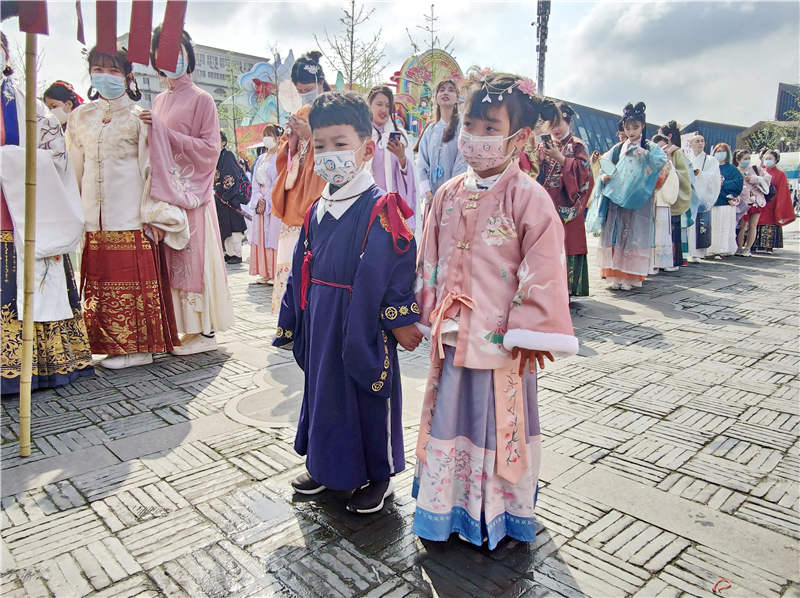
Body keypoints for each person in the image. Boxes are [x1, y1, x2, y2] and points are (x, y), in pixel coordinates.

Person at [413, 71, 578, 549]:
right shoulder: (445, 193)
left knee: (499, 422)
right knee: (449, 415)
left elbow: (544, 264)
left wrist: (529, 331)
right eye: (471, 124)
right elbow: (429, 256)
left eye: (491, 128)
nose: (477, 137)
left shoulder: (528, 196)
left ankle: (496, 513)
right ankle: (445, 506)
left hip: (501, 340)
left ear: (518, 137)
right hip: (452, 332)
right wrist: (424, 311)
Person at [273, 91, 421, 514]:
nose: (329, 155)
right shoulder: (319, 207)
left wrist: (398, 317)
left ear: (367, 149)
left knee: (365, 398)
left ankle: (378, 476)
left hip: (362, 323)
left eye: (340, 145)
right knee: (322, 392)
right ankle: (324, 466)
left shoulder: (380, 208)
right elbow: (302, 267)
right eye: (320, 146)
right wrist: (292, 318)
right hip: (321, 317)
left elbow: (392, 268)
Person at [66, 45, 183, 369]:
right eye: (98, 68)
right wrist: (72, 210)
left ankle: (138, 348)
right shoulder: (80, 117)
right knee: (101, 283)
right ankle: (110, 346)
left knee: (129, 282)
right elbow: (74, 167)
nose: (105, 75)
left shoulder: (139, 117)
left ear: (128, 76)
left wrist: (155, 215)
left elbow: (153, 169)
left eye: (113, 69)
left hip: (131, 215)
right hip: (93, 216)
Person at [0, 32, 93, 392]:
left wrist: (9, 161)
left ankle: (44, 363)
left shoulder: (32, 109)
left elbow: (57, 159)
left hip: (23, 218)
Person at [144, 27, 233, 355]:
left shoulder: (202, 99)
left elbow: (210, 149)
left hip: (194, 194)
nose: (170, 59)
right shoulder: (158, 100)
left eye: (176, 51)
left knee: (195, 259)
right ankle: (186, 328)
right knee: (174, 260)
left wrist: (164, 133)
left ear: (188, 55)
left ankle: (205, 331)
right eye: (162, 52)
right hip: (168, 192)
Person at [270, 51, 329, 313]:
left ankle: (312, 312)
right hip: (298, 194)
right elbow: (284, 156)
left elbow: (339, 148)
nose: (304, 93)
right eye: (300, 89)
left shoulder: (333, 109)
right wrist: (291, 142)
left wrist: (312, 135)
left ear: (319, 82)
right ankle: (291, 316)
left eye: (308, 89)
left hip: (320, 190)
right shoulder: (300, 111)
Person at [588, 102, 667, 290]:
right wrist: (606, 175)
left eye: (635, 127)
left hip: (639, 197)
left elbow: (660, 163)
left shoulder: (650, 147)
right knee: (615, 233)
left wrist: (645, 157)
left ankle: (632, 277)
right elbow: (606, 163)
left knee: (634, 233)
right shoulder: (617, 148)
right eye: (627, 127)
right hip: (617, 197)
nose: (631, 132)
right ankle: (615, 275)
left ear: (643, 127)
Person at [534, 101, 594, 296]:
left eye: (558, 124)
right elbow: (538, 174)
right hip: (548, 199)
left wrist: (561, 159)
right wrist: (541, 161)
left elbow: (584, 173)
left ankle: (566, 288)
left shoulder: (577, 145)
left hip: (567, 201)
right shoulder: (546, 144)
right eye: (551, 125)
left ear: (568, 122)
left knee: (567, 242)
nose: (555, 129)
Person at [416, 79, 467, 224]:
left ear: (457, 98)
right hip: (431, 199)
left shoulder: (463, 129)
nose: (446, 92)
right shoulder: (430, 130)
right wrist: (428, 194)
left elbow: (462, 164)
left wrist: (449, 195)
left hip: (455, 200)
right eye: (442, 89)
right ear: (436, 97)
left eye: (451, 90)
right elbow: (421, 163)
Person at [367, 85, 417, 229]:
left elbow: (410, 177)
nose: (383, 110)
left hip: (392, 205)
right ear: (370, 105)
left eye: (388, 105)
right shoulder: (362, 134)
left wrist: (401, 157)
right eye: (379, 104)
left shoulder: (398, 134)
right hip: (368, 203)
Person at [247, 123, 283, 284]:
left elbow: (279, 181)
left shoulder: (281, 156)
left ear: (278, 137)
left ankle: (276, 271)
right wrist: (257, 199)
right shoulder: (261, 158)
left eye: (270, 135)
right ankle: (265, 271)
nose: (267, 139)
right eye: (265, 135)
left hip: (274, 201)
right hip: (261, 200)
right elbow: (254, 181)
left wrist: (267, 199)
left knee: (273, 236)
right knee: (262, 236)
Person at [658, 121, 692, 269]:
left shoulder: (676, 151)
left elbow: (684, 174)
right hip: (661, 194)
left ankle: (672, 260)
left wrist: (670, 170)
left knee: (672, 229)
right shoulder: (664, 150)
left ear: (669, 136)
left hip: (671, 194)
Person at [683, 133, 720, 262]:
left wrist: (700, 174)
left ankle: (699, 253)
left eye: (702, 141)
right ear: (690, 144)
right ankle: (688, 252)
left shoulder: (711, 160)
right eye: (697, 141)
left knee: (701, 224)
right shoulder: (686, 158)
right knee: (689, 225)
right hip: (689, 195)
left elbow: (714, 176)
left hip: (703, 195)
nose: (700, 143)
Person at [215, 131, 249, 264]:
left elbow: (231, 177)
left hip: (230, 196)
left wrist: (226, 195)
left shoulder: (227, 156)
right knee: (225, 226)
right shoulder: (216, 157)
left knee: (234, 227)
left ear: (223, 142)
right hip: (220, 197)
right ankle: (229, 252)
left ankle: (236, 253)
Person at [752, 149, 795, 253]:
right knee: (755, 222)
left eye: (770, 158)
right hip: (759, 202)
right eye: (766, 158)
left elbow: (783, 191)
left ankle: (768, 246)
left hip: (772, 203)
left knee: (769, 222)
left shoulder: (780, 174)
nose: (768, 160)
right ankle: (754, 244)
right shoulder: (760, 171)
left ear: (776, 160)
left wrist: (780, 206)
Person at [651, 134, 681, 272]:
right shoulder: (649, 162)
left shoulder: (669, 165)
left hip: (663, 202)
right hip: (651, 203)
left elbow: (674, 182)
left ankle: (663, 261)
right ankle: (652, 263)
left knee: (662, 233)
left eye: (664, 148)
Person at [707, 142, 742, 259]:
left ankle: (723, 249)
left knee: (724, 226)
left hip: (725, 203)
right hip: (712, 202)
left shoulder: (732, 169)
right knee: (713, 227)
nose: (720, 154)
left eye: (723, 151)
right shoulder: (710, 167)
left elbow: (738, 183)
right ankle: (710, 248)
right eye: (718, 151)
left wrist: (723, 183)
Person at [732, 149, 770, 256]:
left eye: (749, 158)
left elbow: (767, 179)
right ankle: (739, 247)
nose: (747, 161)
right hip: (742, 201)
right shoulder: (735, 171)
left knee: (753, 225)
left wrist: (755, 179)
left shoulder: (756, 169)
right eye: (745, 159)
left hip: (756, 201)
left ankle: (748, 248)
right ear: (738, 160)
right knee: (742, 225)